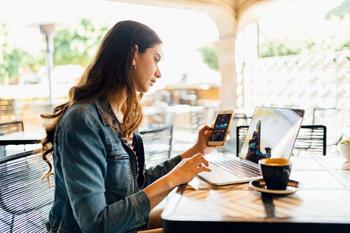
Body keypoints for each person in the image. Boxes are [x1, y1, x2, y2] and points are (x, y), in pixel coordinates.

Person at [41, 20, 213, 233]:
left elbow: (138, 185)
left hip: (123, 226)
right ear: (134, 54)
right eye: (156, 59)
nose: (159, 73)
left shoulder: (121, 116)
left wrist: (197, 150)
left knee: (202, 218)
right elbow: (96, 224)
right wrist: (173, 179)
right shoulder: (82, 121)